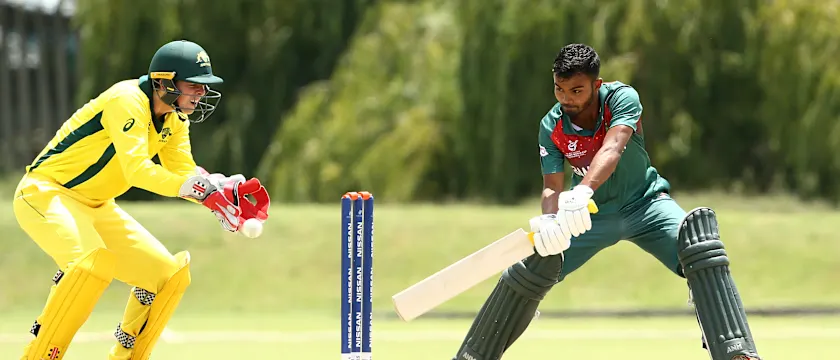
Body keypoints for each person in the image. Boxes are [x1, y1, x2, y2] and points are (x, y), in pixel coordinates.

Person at [451, 43, 761, 360]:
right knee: (533, 265)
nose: (567, 99)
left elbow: (612, 148)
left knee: (699, 245)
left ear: (596, 85)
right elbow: (551, 187)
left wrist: (583, 190)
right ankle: (473, 357)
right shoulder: (551, 125)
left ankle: (736, 352)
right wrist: (548, 219)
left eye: (576, 90)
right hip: (588, 217)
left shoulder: (621, 98)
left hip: (646, 204)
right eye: (559, 89)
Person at [12, 39, 269, 360]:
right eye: (193, 85)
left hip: (98, 205)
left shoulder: (175, 119)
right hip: (47, 192)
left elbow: (184, 171)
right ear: (163, 82)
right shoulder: (126, 100)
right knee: (90, 267)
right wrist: (199, 190)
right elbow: (138, 171)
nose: (200, 94)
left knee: (166, 276)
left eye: (204, 87)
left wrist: (218, 188)